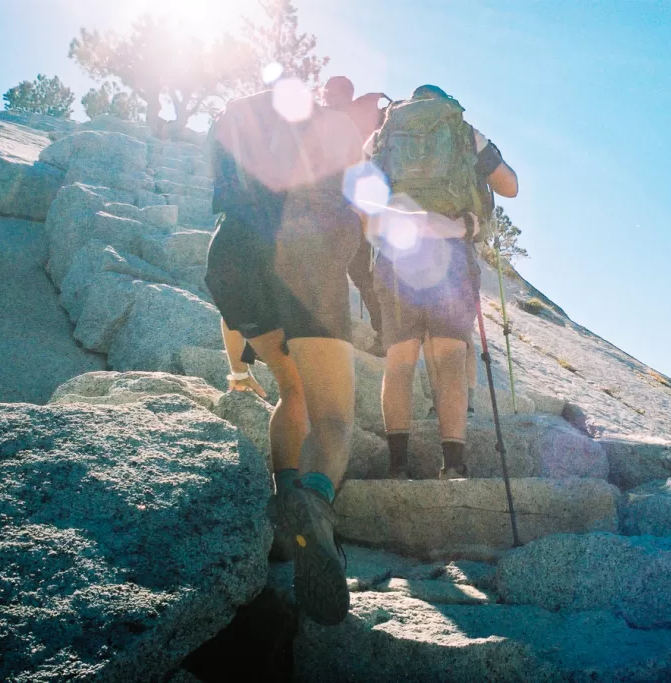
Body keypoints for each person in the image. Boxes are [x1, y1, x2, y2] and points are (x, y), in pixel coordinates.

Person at [205, 86, 363, 625]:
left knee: (291, 387)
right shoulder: (334, 128)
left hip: (229, 253)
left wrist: (236, 365)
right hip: (308, 246)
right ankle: (314, 503)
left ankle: (284, 520)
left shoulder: (237, 119)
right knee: (335, 415)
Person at [365, 84, 518, 479]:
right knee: (449, 358)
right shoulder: (465, 132)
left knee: (399, 361)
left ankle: (398, 464)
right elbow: (510, 186)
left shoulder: (382, 136)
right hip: (450, 249)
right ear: (443, 104)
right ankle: (452, 465)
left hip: (397, 254)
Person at [323, 76, 389, 355]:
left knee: (329, 270)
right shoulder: (364, 118)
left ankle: (325, 332)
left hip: (326, 208)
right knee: (362, 273)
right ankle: (384, 335)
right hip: (356, 208)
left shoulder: (323, 119)